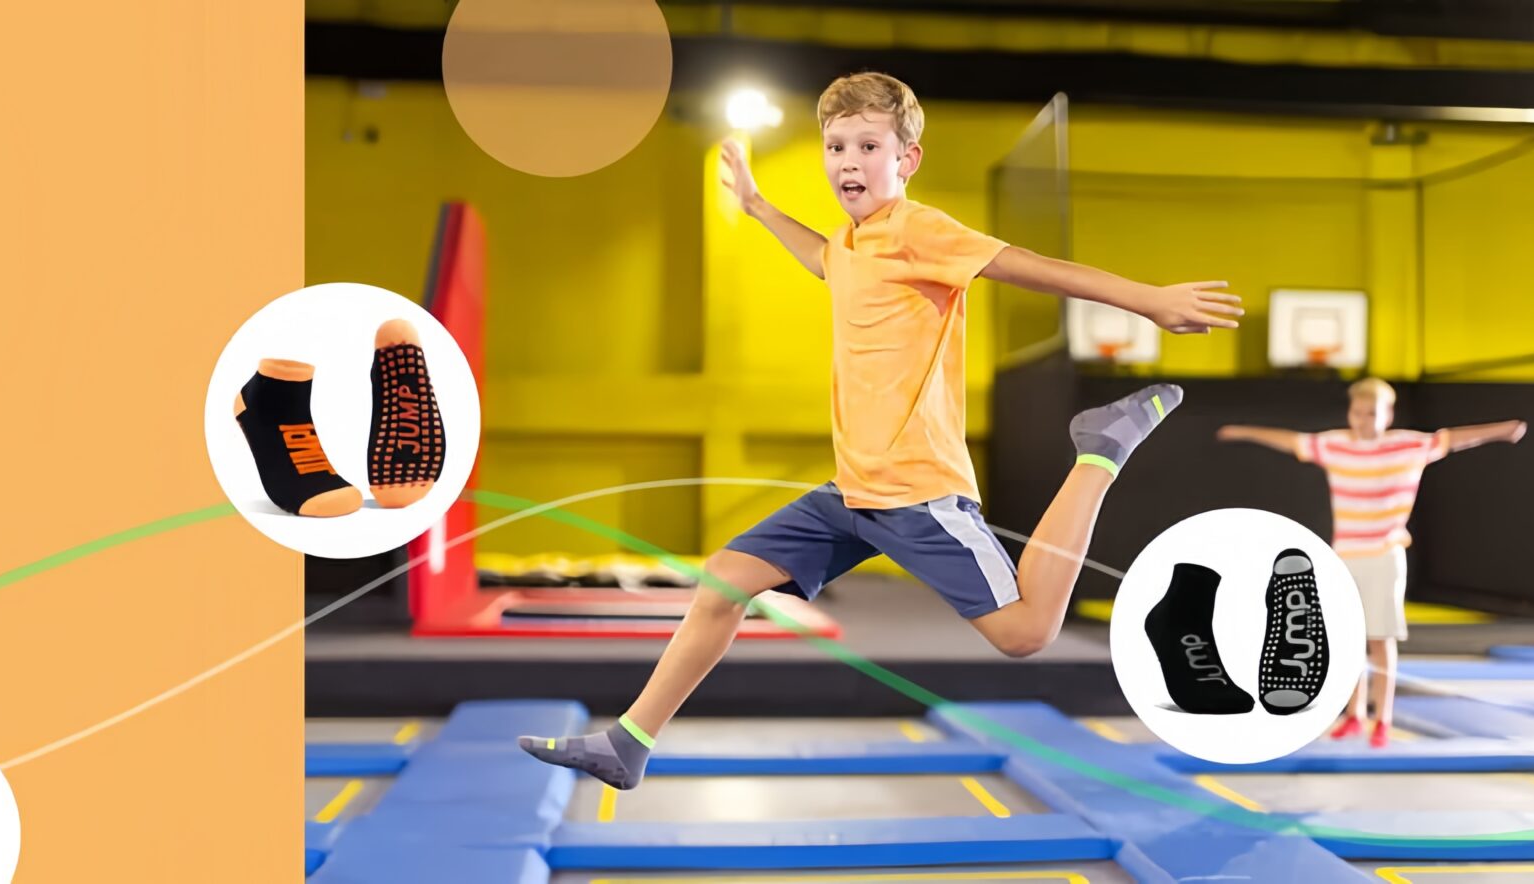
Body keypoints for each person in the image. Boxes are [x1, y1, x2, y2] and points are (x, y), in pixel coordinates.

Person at [517, 71, 1245, 791]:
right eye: (836, 148)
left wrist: (1146, 300)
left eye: (868, 146)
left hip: (916, 490)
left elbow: (1028, 267)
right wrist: (759, 205)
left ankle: (1100, 449)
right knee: (722, 584)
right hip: (853, 492)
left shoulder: (921, 230)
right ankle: (629, 743)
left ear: (907, 158)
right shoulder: (854, 243)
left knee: (1026, 634)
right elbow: (824, 262)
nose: (848, 164)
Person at [1217, 378, 1526, 748]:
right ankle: (1355, 715)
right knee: (1349, 641)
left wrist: (1502, 431)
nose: (1363, 421)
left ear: (1387, 415)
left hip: (1383, 555)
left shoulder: (1408, 445)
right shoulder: (1334, 444)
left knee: (1380, 639)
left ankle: (1383, 719)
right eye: (1357, 413)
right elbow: (1290, 440)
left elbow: (1454, 438)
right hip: (1346, 555)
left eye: (1371, 414)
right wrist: (1242, 431)